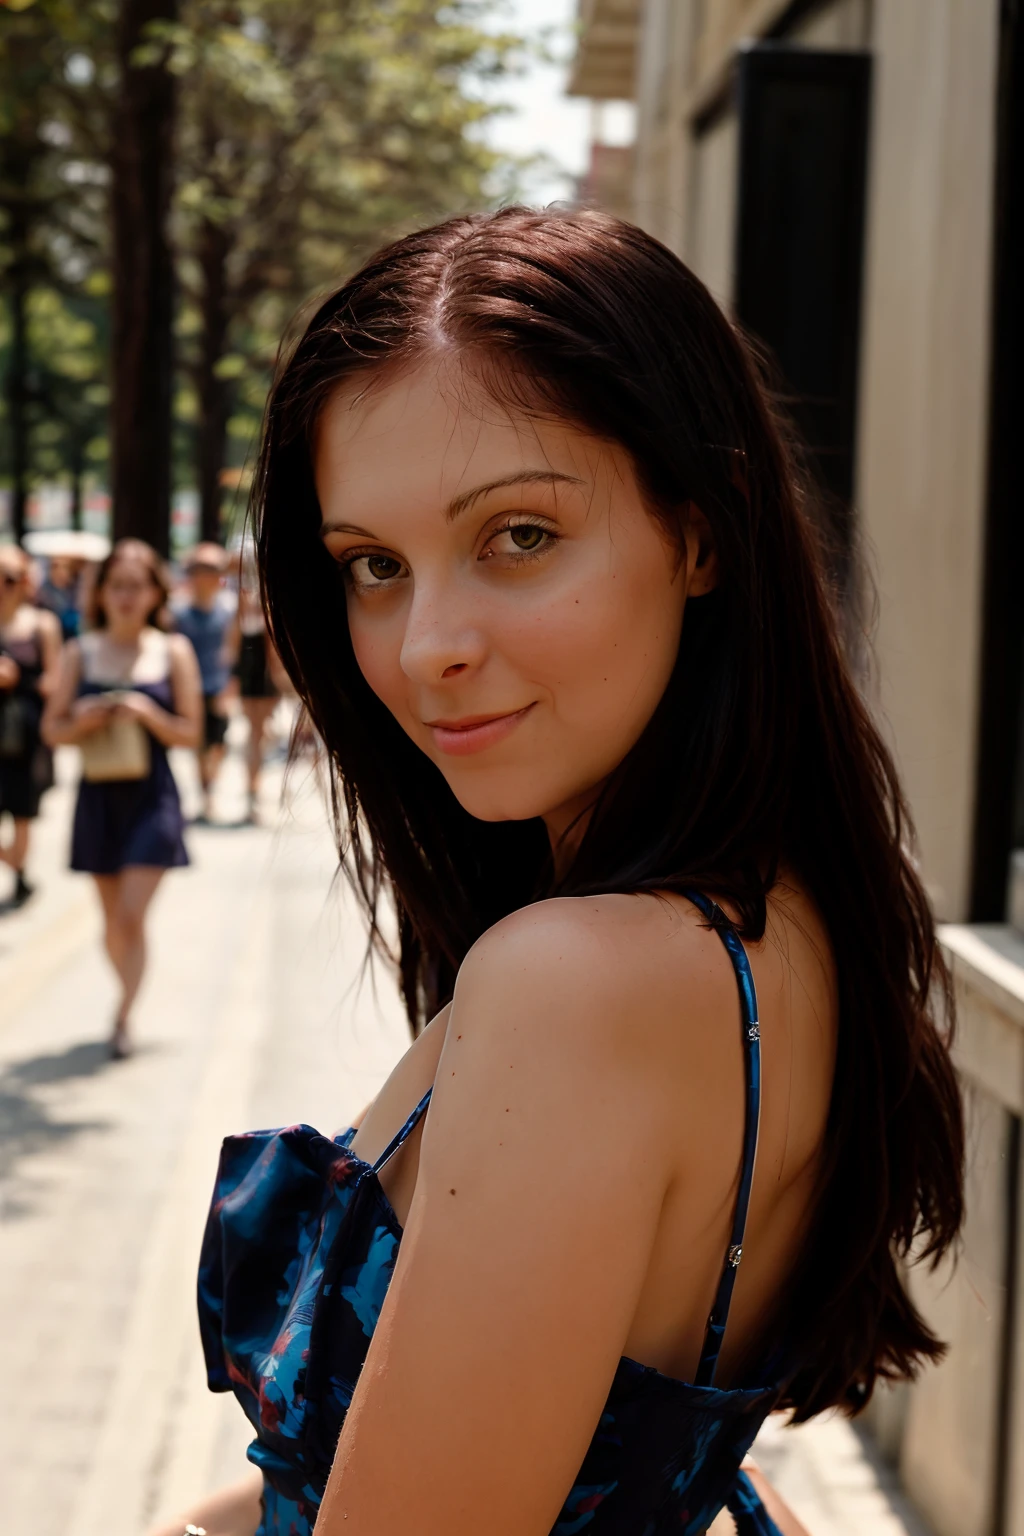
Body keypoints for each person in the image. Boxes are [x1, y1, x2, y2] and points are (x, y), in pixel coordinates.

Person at [157, 210, 963, 1536]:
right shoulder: (784, 926)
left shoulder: (579, 985)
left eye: (519, 536)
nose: (426, 645)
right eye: (373, 565)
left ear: (701, 535)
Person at [42, 538, 201, 1056]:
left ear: (156, 592)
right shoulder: (78, 650)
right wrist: (81, 718)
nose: (127, 596)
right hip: (97, 797)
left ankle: (123, 1016)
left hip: (152, 796)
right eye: (118, 585)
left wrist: (146, 712)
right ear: (102, 592)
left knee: (130, 916)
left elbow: (191, 733)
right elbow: (52, 729)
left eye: (138, 585)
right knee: (112, 924)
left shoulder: (171, 649)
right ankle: (124, 994)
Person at [0, 544, 61, 906]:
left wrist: (16, 677)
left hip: (25, 735)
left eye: (7, 578)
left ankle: (20, 872)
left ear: (24, 581)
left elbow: (54, 681)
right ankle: (18, 871)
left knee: (22, 815)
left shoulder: (42, 624)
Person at [172, 542, 235, 823]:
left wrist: (231, 685)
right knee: (199, 745)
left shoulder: (228, 609)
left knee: (219, 744)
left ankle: (211, 785)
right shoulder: (178, 613)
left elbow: (232, 651)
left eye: (211, 570)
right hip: (191, 688)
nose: (206, 576)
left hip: (219, 686)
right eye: (200, 569)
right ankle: (205, 794)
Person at [230, 548, 281, 824]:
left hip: (257, 668)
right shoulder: (256, 600)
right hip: (257, 668)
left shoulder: (252, 599)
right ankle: (252, 793)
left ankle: (253, 793)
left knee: (256, 733)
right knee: (256, 734)